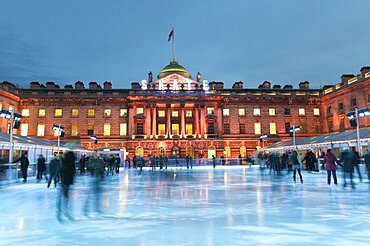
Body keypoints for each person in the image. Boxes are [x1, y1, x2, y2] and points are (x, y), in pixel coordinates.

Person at [57, 151, 76, 221]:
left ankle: (62, 210)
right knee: (65, 196)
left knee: (64, 196)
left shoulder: (65, 162)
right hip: (65, 181)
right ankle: (63, 210)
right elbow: (70, 171)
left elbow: (61, 170)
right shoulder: (69, 163)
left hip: (65, 181)